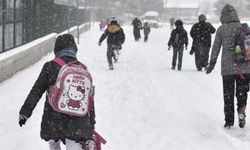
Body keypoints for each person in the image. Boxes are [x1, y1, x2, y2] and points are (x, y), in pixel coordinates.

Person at [18, 34, 96, 150]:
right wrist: (91, 123)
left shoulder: (50, 66)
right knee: (74, 143)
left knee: (54, 142)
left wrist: (25, 112)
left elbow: (36, 91)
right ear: (74, 49)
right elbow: (89, 100)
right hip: (77, 120)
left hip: (53, 118)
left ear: (56, 49)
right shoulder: (82, 69)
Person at [206, 4, 250, 129]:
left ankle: (229, 121)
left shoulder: (221, 29)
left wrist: (212, 63)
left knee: (228, 95)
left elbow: (215, 48)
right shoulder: (243, 28)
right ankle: (241, 113)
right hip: (245, 68)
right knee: (242, 93)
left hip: (228, 69)